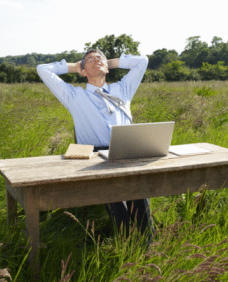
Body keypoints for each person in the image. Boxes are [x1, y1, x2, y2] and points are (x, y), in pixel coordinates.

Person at [36, 48, 153, 242]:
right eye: (89, 59)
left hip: (126, 149)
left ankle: (146, 244)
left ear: (107, 68)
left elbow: (143, 61)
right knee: (114, 199)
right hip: (95, 156)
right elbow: (42, 69)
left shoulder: (122, 89)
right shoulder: (74, 96)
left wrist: (110, 63)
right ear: (83, 71)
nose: (96, 60)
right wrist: (73, 67)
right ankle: (126, 243)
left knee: (139, 194)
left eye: (100, 58)